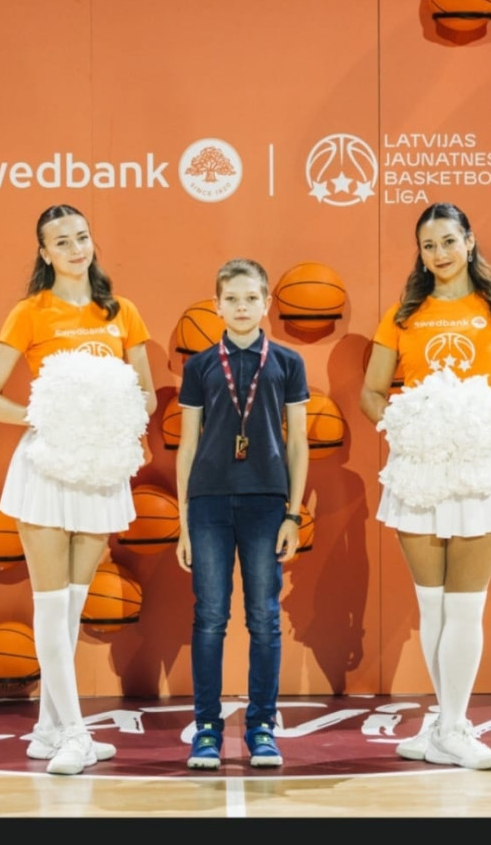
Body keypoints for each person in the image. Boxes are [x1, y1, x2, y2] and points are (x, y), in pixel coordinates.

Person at [0, 203, 157, 776]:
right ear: (45, 253)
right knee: (52, 606)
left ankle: (47, 728)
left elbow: (146, 396)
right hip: (48, 468)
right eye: (62, 241)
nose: (76, 249)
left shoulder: (121, 312)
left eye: (82, 237)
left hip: (99, 470)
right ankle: (76, 734)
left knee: (73, 608)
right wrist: (47, 416)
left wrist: (111, 420)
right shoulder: (30, 312)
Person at [359, 202, 491, 770]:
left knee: (466, 608)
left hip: (477, 470)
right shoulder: (402, 316)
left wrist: (488, 428)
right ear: (419, 254)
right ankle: (445, 726)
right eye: (428, 245)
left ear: (469, 241)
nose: (439, 253)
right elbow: (371, 393)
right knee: (433, 608)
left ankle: (454, 729)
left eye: (447, 241)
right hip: (419, 471)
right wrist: (405, 426)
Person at [175, 258, 310, 770]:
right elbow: (187, 446)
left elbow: (298, 442)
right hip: (208, 503)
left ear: (267, 303)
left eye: (251, 298)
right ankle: (207, 729)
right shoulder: (200, 366)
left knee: (264, 619)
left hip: (266, 503)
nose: (241, 307)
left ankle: (261, 729)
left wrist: (293, 514)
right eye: (231, 299)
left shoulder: (288, 362)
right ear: (216, 306)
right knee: (210, 617)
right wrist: (183, 522)